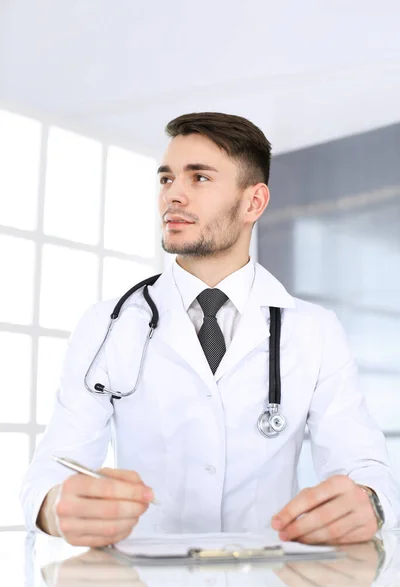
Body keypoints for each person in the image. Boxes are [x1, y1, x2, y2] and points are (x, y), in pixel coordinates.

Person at [21, 112, 399, 548]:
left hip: (266, 583)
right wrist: (55, 508)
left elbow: (367, 469)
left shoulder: (314, 331)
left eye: (199, 178)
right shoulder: (108, 325)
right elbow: (50, 470)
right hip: (147, 585)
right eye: (166, 179)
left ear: (253, 203)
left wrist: (368, 503)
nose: (173, 196)